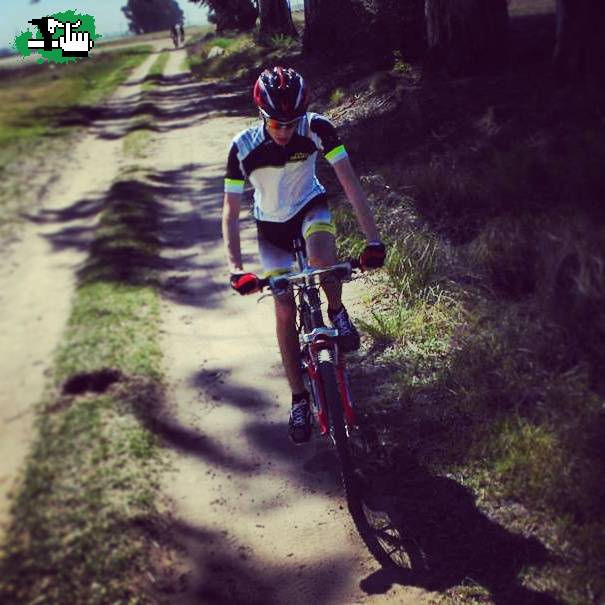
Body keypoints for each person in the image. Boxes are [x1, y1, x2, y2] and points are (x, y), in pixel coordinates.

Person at [222, 66, 386, 444]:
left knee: (323, 260)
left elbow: (350, 183)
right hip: (271, 227)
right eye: (276, 124)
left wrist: (373, 241)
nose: (284, 131)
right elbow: (230, 211)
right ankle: (299, 399)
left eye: (291, 123)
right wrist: (236, 269)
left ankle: (337, 311)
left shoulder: (318, 129)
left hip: (310, 207)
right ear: (262, 116)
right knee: (283, 309)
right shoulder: (243, 147)